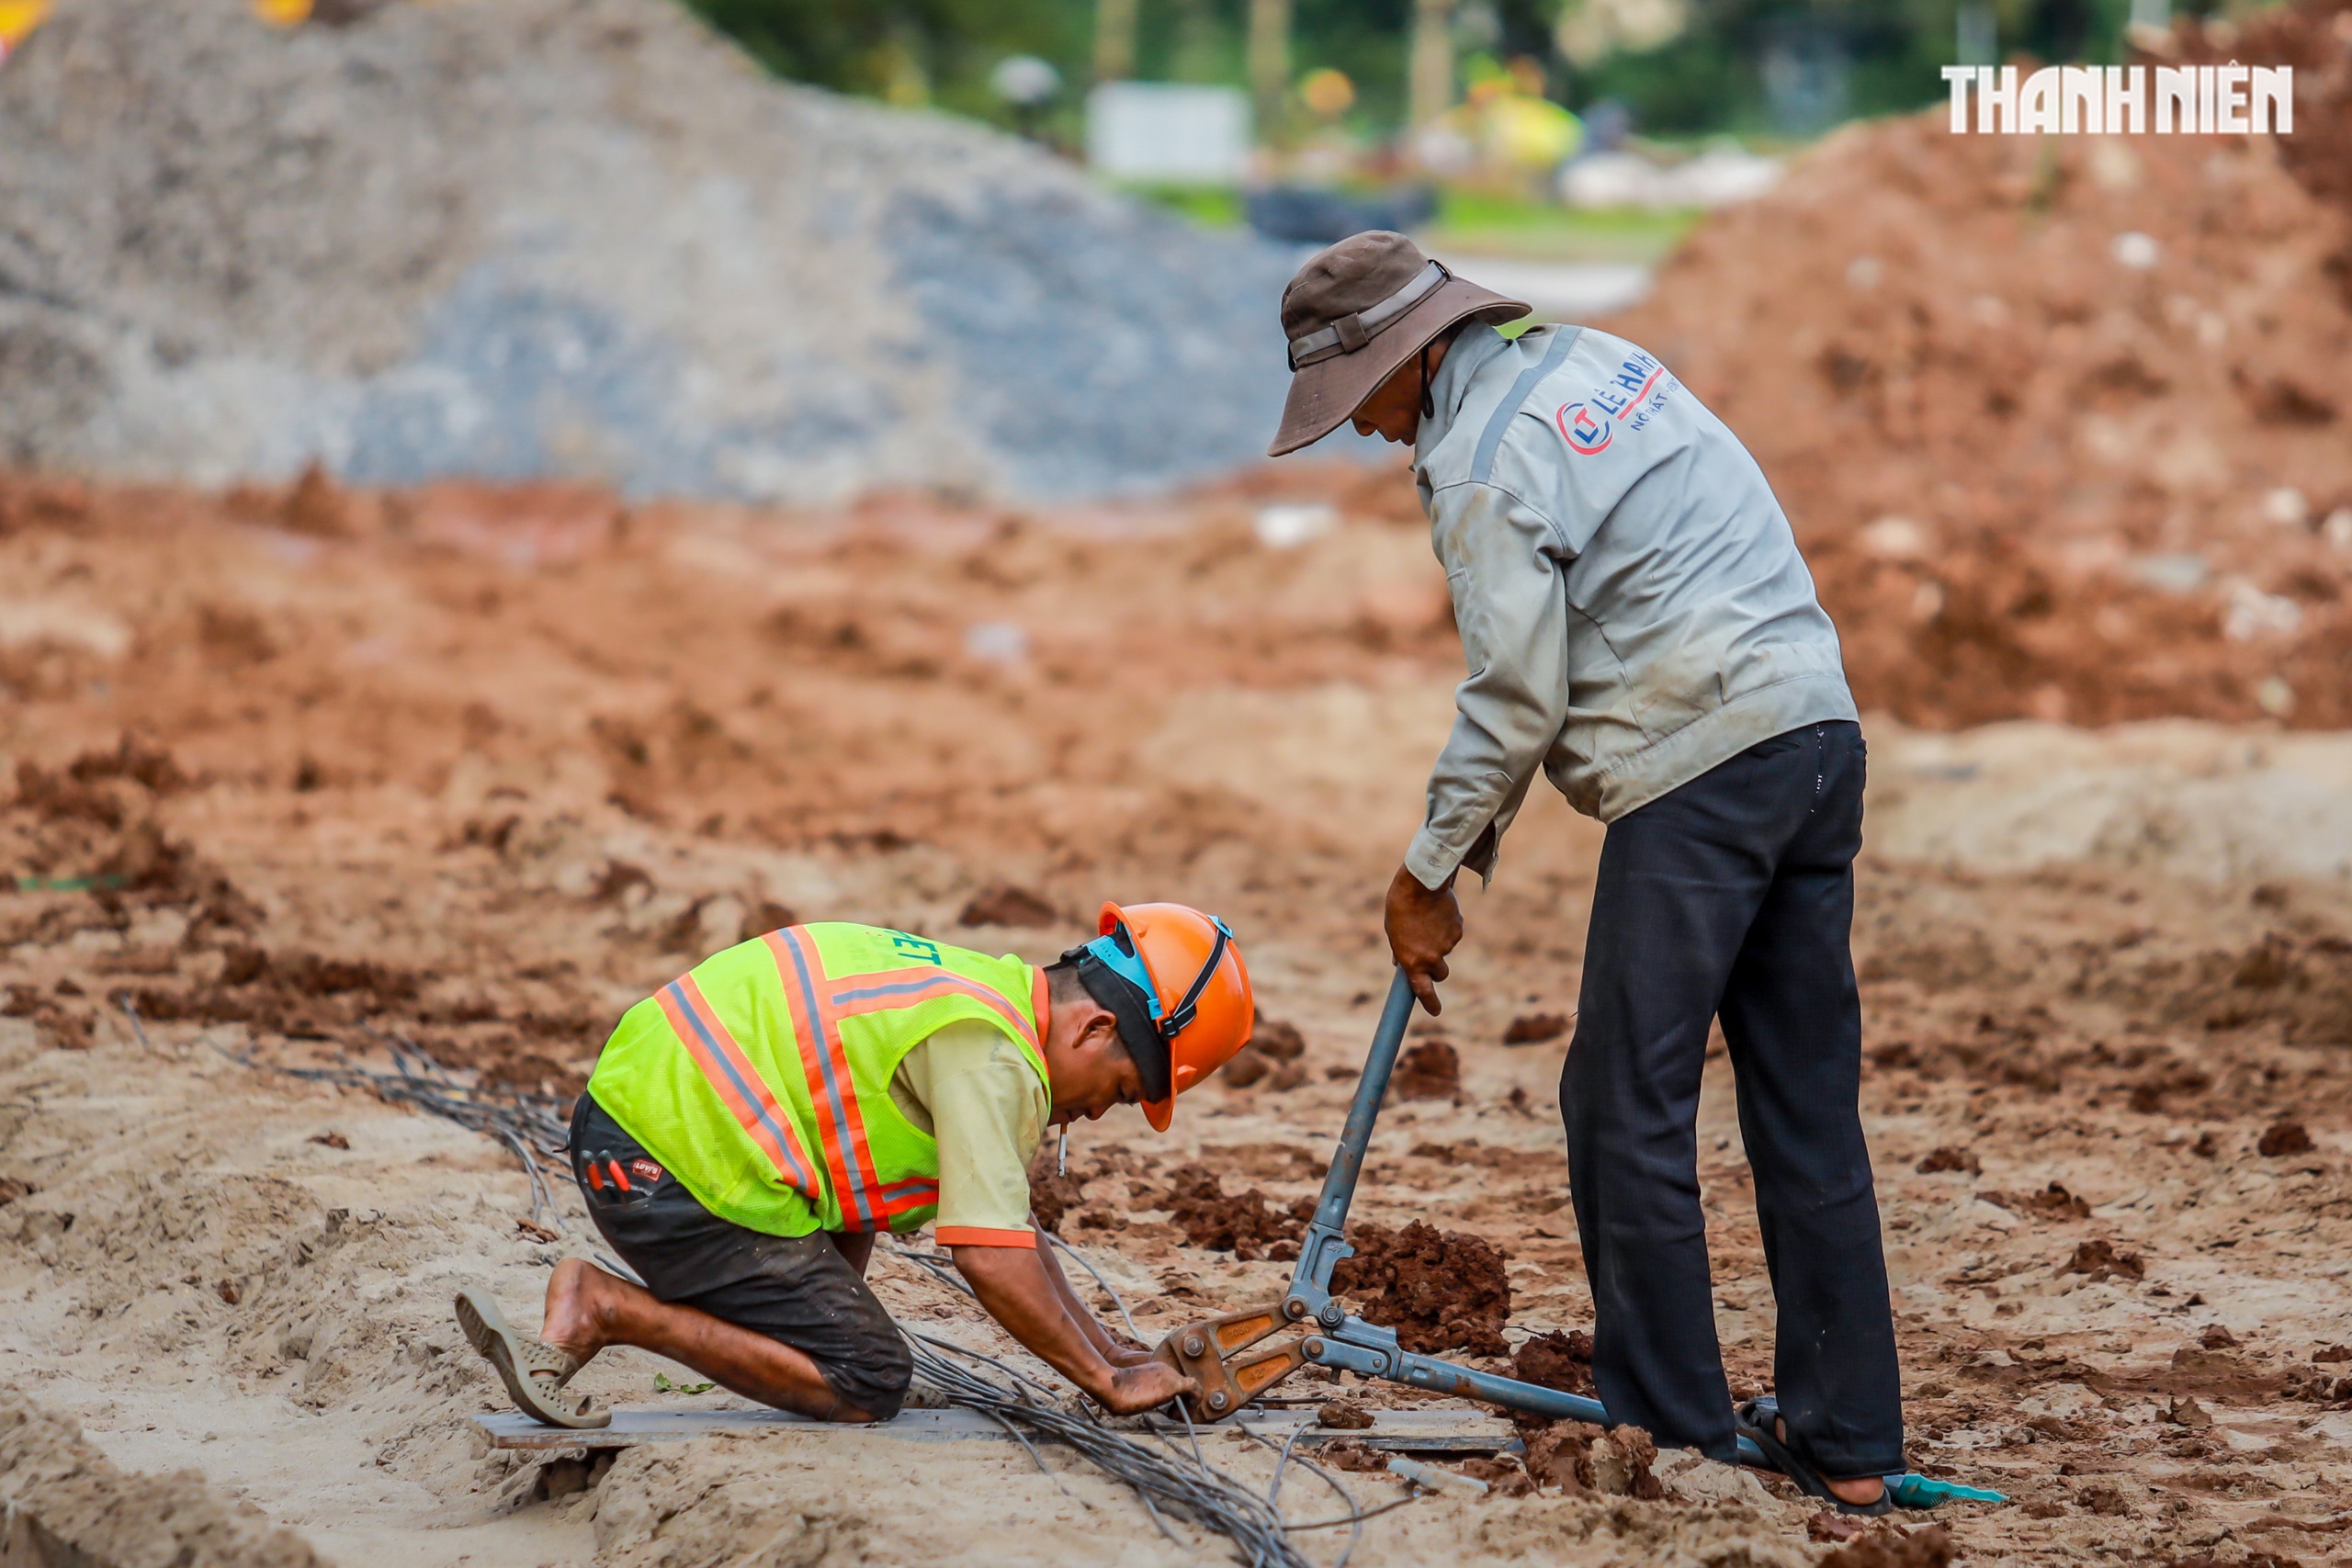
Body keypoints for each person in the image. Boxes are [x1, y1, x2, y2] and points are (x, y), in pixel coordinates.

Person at [1267, 231, 1901, 1514]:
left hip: (1704, 768)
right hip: (1815, 733)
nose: (1363, 433)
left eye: (1363, 399)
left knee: (1623, 1102)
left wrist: (1428, 867)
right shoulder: (1599, 364)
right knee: (1805, 1104)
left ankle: (1673, 1432)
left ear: (1414, 355)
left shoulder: (1482, 460)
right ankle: (1852, 1442)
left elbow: (1514, 696)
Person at [455, 902, 1251, 1429]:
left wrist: (1112, 1347)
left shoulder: (978, 992)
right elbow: (987, 1251)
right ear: (1096, 1027)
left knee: (848, 1292)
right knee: (869, 1377)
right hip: (671, 1173)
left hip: (634, 1124)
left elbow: (1007, 1222)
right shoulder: (993, 1055)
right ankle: (605, 1307)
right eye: (1118, 1090)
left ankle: (646, 1312)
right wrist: (1104, 1382)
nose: (1094, 1114)